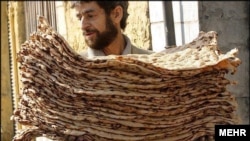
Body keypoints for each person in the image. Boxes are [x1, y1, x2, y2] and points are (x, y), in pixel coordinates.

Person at [71, 1, 154, 58]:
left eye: (90, 16)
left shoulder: (154, 67)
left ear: (116, 14)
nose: (82, 26)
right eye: (79, 18)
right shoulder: (72, 72)